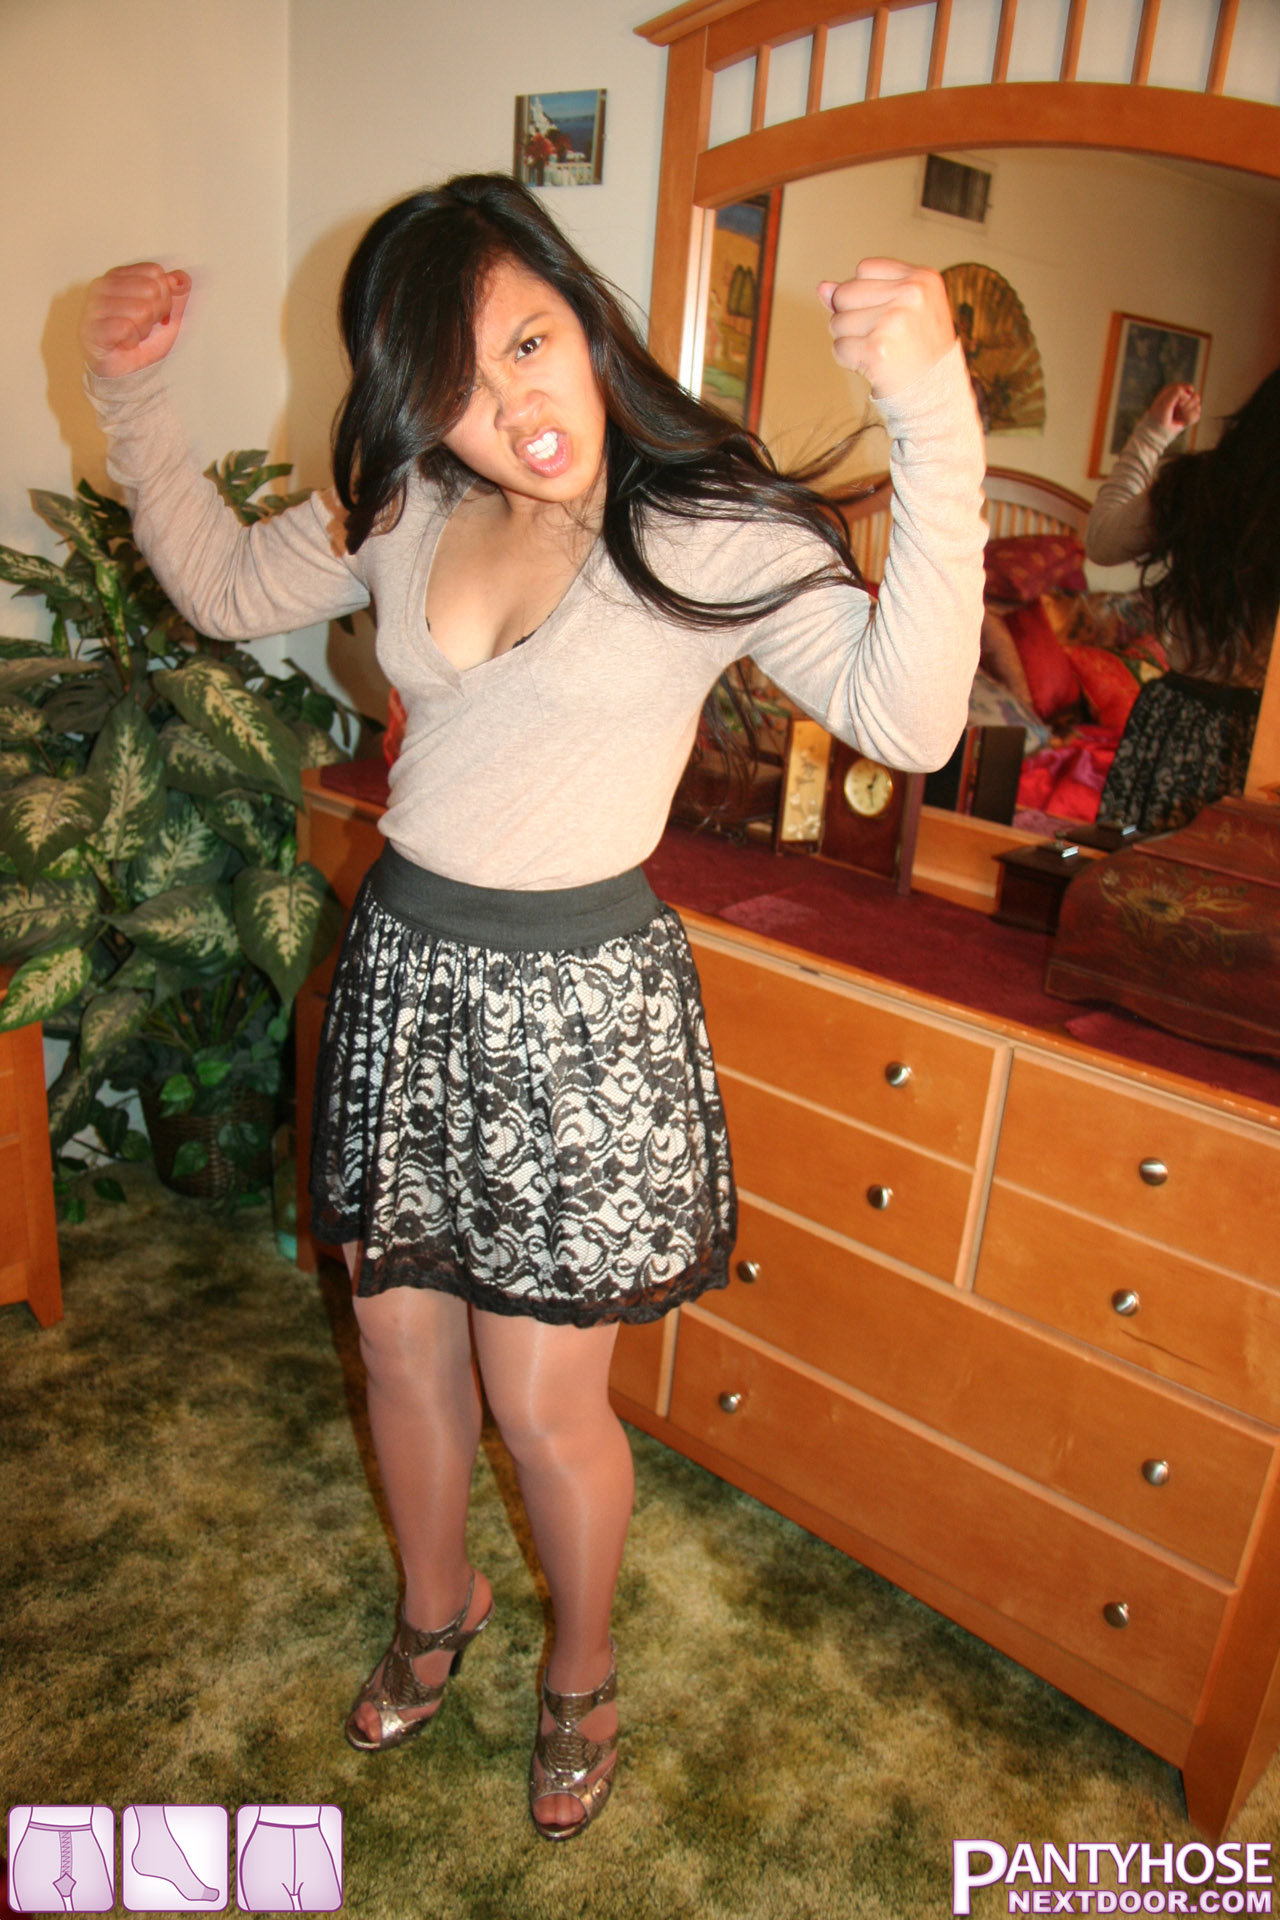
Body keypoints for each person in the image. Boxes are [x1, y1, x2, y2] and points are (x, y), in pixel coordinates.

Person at [78, 173, 983, 1841]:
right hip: (409, 973)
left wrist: (932, 413)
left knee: (542, 1402)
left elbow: (909, 717)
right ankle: (440, 1608)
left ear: (584, 318)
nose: (513, 407)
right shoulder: (410, 499)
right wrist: (132, 397)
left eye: (529, 342)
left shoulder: (701, 525)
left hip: (578, 1019)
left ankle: (582, 1667)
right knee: (398, 1346)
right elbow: (222, 585)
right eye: (458, 382)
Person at [1085, 369, 1280, 833]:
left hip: (1181, 720)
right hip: (1259, 739)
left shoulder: (1197, 488)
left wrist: (1153, 433)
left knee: (1147, 872)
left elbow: (1102, 540)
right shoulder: (1198, 489)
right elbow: (1102, 542)